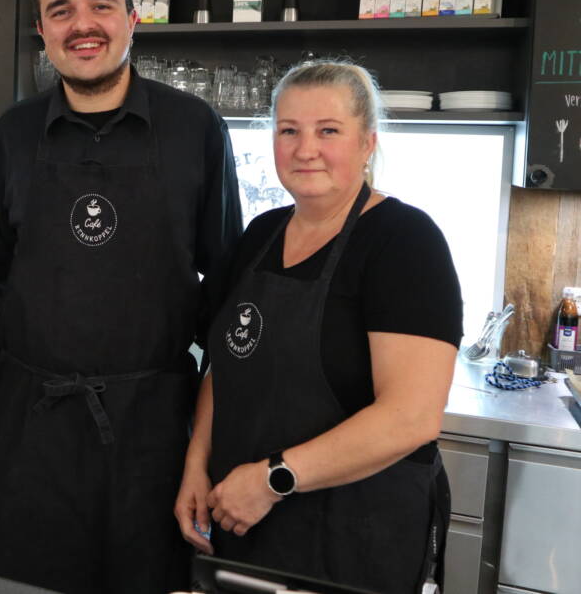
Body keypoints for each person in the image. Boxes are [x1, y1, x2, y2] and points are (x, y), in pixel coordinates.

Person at [0, 0, 242, 593]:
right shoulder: (13, 133)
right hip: (31, 428)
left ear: (131, 17)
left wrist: (201, 441)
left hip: (153, 430)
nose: (81, 24)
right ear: (41, 29)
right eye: (60, 10)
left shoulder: (194, 128)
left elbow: (227, 283)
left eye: (100, 5)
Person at [175, 61, 462, 594]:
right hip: (244, 524)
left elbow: (412, 418)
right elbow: (226, 363)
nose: (306, 149)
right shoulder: (259, 235)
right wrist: (197, 464)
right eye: (289, 131)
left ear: (367, 142)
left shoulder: (405, 244)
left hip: (353, 537)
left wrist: (271, 479)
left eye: (328, 130)